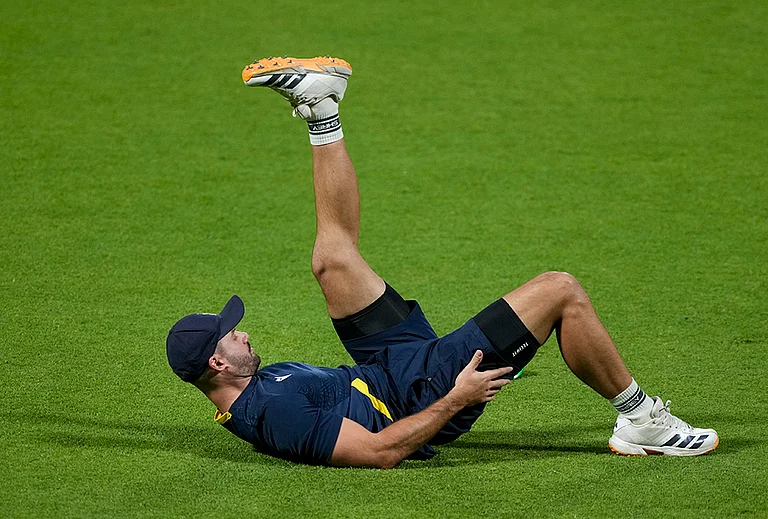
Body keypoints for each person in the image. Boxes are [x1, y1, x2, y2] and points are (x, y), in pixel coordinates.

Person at [165, 56, 718, 468]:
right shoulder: (273, 415)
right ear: (217, 364)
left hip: (387, 367)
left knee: (332, 260)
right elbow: (380, 452)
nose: (242, 333)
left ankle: (321, 107)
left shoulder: (252, 385)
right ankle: (641, 419)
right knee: (560, 289)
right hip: (426, 389)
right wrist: (456, 397)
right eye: (231, 335)